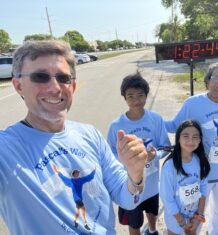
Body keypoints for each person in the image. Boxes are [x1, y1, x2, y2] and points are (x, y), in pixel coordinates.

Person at [0, 40, 148, 235]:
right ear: (18, 85)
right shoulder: (6, 149)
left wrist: (136, 173)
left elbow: (128, 199)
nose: (55, 88)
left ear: (74, 86)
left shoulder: (90, 135)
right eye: (40, 77)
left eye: (63, 78)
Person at [165, 62, 218, 235]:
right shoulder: (193, 103)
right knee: (196, 214)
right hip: (200, 172)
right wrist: (150, 120)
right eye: (215, 78)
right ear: (207, 80)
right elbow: (174, 125)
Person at [107, 73, 171, 235]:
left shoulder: (156, 120)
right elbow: (110, 154)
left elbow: (166, 147)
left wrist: (154, 155)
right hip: (130, 185)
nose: (136, 100)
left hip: (151, 183)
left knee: (152, 211)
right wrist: (126, 161)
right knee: (134, 221)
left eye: (140, 95)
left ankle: (152, 229)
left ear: (146, 96)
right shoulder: (116, 126)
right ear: (124, 98)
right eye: (130, 96)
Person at [160, 120, 210, 235]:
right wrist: (182, 222)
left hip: (193, 218)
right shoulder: (169, 167)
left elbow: (203, 189)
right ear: (178, 138)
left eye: (195, 137)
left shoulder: (200, 161)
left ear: (200, 140)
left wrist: (199, 216)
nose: (190, 141)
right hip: (175, 220)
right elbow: (167, 198)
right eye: (186, 136)